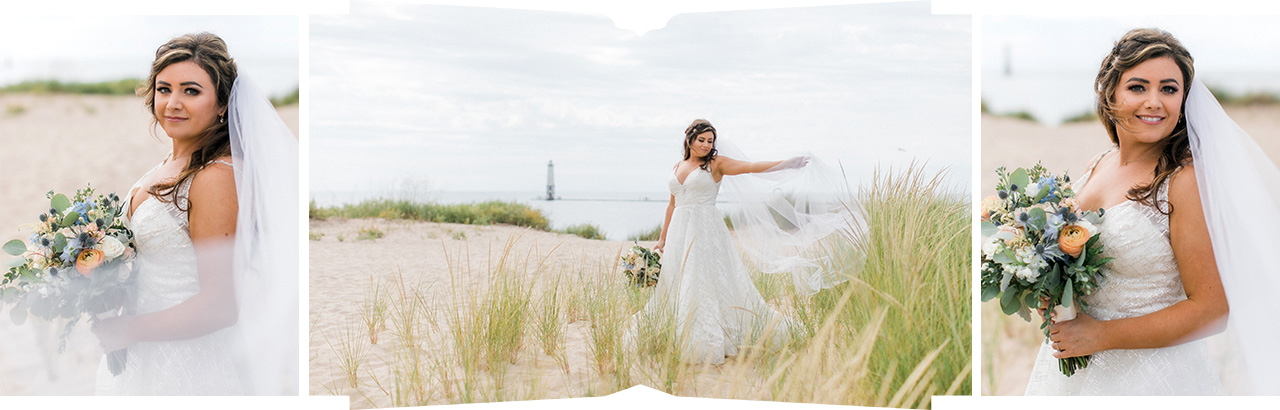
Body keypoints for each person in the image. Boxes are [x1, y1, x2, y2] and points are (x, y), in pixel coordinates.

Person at [1025, 27, 1280, 395]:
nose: (1155, 102)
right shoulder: (1099, 163)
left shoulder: (1184, 180)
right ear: (1111, 93)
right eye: (1138, 87)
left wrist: (1100, 336)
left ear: (1184, 101)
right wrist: (1049, 291)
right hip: (1074, 366)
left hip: (1150, 377)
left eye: (1169, 89)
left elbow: (1212, 309)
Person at [90, 32, 298, 395]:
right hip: (142, 354)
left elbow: (220, 306)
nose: (172, 103)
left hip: (188, 364)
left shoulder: (216, 177)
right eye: (164, 88)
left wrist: (129, 329)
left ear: (222, 104)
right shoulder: (171, 164)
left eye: (191, 90)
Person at [630, 119, 852, 364]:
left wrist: (787, 164)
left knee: (704, 279)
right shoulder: (677, 165)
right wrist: (662, 238)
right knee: (677, 280)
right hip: (679, 234)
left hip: (706, 231)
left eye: (710, 141)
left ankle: (708, 338)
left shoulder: (715, 164)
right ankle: (676, 333)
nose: (706, 145)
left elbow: (750, 167)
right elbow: (672, 204)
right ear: (689, 139)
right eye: (701, 140)